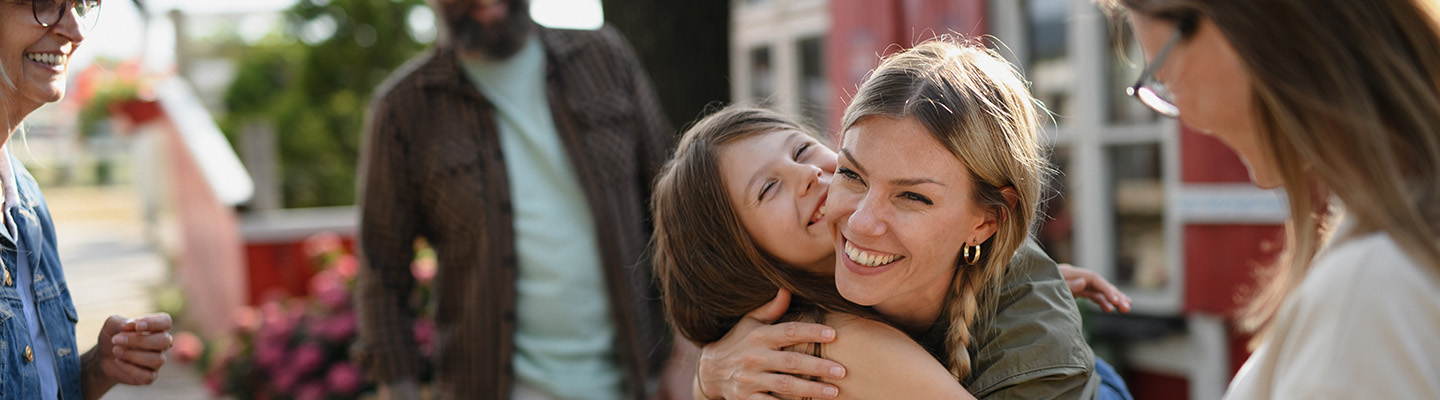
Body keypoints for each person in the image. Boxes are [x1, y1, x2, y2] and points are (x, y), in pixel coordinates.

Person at [673, 39, 1131, 399]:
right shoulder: (784, 339)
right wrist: (709, 374)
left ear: (985, 223)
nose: (811, 176)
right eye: (853, 173)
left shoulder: (830, 343)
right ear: (733, 251)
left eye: (912, 196)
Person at [1102, 0, 1440, 398]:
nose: (1188, 117)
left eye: (1165, 78)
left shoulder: (1368, 292)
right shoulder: (1394, 259)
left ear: (1236, 29)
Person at [353, 0, 685, 398]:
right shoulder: (402, 110)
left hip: (640, 383)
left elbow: (680, 210)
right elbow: (382, 274)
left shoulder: (604, 58)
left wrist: (689, 356)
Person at [1, 1, 175, 399]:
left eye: (81, 5)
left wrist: (96, 369)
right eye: (44, 2)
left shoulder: (25, 200)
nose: (76, 32)